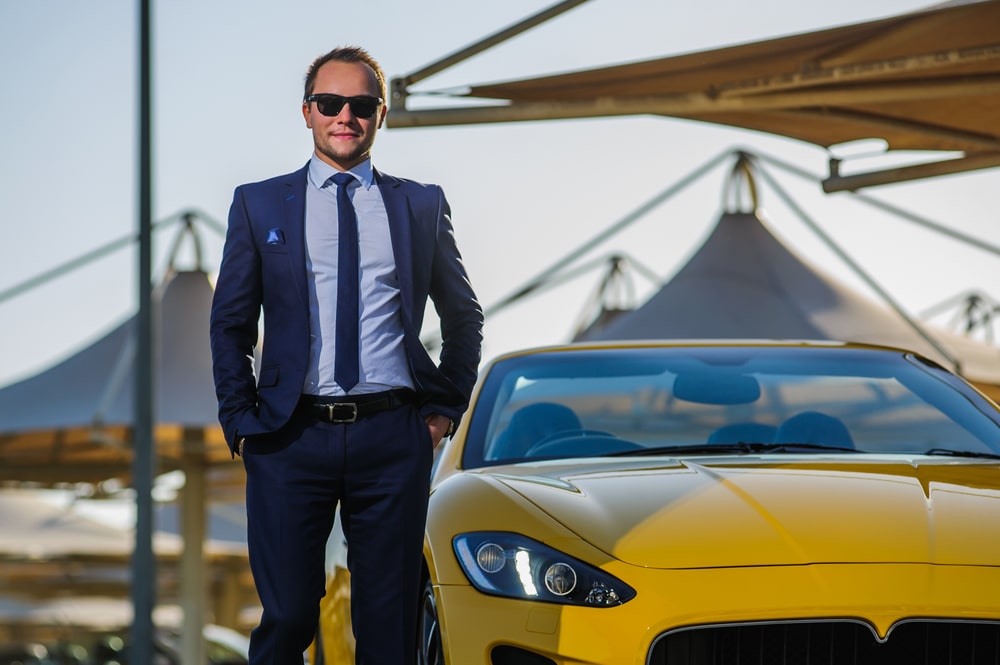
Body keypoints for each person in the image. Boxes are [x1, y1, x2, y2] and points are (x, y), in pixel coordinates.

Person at [209, 45, 483, 664]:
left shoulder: (419, 204)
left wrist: (444, 409)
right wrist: (240, 421)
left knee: (389, 628)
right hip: (287, 436)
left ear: (380, 115)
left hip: (393, 436)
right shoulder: (257, 204)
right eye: (330, 103)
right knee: (287, 618)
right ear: (307, 112)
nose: (345, 117)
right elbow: (229, 323)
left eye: (361, 106)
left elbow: (464, 316)